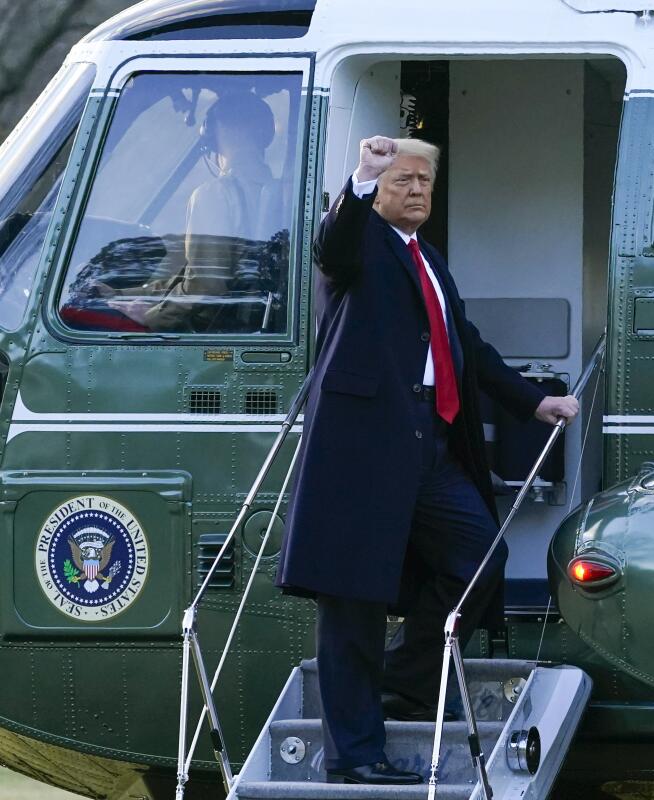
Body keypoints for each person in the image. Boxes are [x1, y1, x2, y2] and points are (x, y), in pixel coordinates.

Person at [276, 135, 579, 785]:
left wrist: (533, 403)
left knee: (479, 560)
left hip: (428, 441)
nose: (415, 191)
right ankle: (354, 756)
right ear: (376, 190)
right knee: (351, 599)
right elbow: (332, 244)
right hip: (363, 446)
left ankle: (401, 680)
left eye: (424, 183)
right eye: (401, 181)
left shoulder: (428, 258)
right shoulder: (358, 244)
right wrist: (359, 179)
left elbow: (465, 344)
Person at [97, 89, 279, 331]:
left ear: (214, 133)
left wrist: (152, 318)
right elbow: (192, 276)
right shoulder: (281, 193)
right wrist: (121, 294)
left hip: (218, 332)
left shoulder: (213, 195)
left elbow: (207, 285)